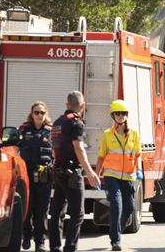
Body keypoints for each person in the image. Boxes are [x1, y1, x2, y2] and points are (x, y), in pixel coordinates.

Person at [50, 91, 100, 252]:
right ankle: (70, 248)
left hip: (58, 171)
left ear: (67, 105)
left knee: (57, 212)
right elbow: (78, 148)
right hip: (72, 173)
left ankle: (55, 247)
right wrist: (90, 172)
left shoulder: (57, 122)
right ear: (82, 106)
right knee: (78, 213)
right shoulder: (76, 123)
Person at [95, 100, 141, 251]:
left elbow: (137, 155)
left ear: (127, 115)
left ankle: (117, 229)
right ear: (113, 116)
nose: (121, 116)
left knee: (129, 208)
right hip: (111, 176)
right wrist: (96, 176)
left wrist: (139, 170)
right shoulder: (107, 135)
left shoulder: (134, 135)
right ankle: (115, 240)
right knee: (116, 204)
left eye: (123, 114)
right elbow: (101, 157)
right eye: (118, 114)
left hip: (129, 177)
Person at [19, 102, 53, 252]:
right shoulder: (24, 130)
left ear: (46, 114)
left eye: (42, 112)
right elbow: (14, 148)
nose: (39, 115)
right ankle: (26, 237)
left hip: (44, 175)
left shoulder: (51, 132)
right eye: (36, 112)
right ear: (31, 114)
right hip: (27, 174)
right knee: (27, 209)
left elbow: (57, 152)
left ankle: (40, 242)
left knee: (42, 211)